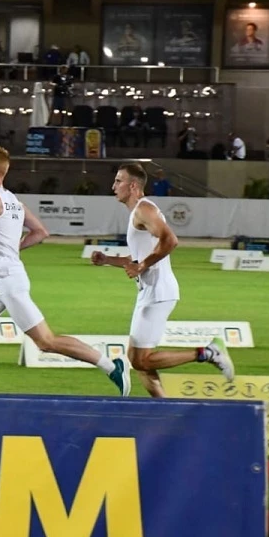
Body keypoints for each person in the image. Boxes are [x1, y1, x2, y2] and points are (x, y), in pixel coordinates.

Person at [0, 146, 132, 395]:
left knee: (46, 342)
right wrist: (14, 249)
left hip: (9, 283)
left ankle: (111, 366)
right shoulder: (15, 201)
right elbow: (41, 232)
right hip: (5, 281)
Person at [91, 163, 235, 397]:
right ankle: (163, 406)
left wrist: (142, 266)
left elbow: (170, 240)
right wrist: (107, 259)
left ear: (133, 185)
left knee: (142, 360)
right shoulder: (138, 212)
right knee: (137, 360)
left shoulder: (143, 209)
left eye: (118, 181)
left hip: (158, 292)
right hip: (150, 291)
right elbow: (138, 258)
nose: (113, 186)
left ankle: (208, 352)